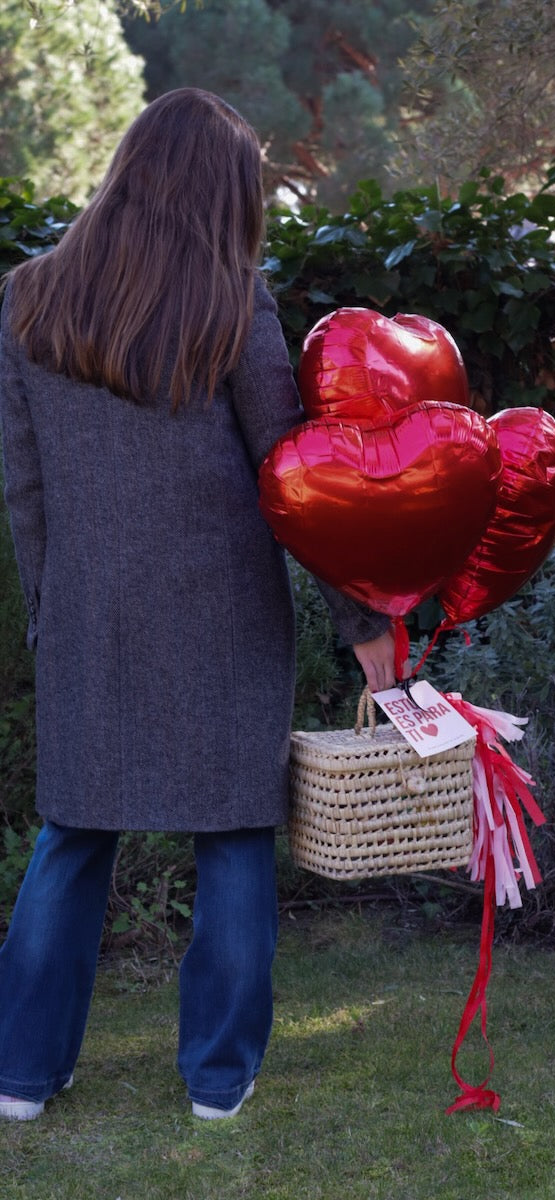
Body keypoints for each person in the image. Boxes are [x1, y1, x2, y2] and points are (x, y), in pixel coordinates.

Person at [0, 88, 398, 1122]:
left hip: (90, 613)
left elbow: (26, 489)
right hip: (221, 622)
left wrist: (51, 613)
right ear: (217, 189)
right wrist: (362, 623)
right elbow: (291, 476)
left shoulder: (28, 299)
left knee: (72, 834)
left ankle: (20, 1077)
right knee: (230, 839)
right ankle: (217, 1083)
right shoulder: (234, 299)